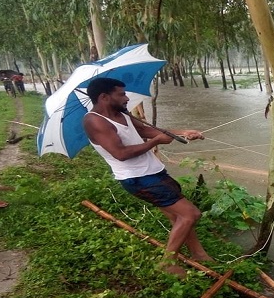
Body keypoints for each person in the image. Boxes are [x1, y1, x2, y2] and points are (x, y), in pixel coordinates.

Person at [83, 78, 212, 277]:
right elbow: (120, 154)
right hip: (138, 178)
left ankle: (199, 254)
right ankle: (167, 263)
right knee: (190, 214)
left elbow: (146, 130)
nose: (126, 98)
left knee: (177, 215)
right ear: (104, 97)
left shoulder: (121, 113)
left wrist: (183, 133)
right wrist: (156, 142)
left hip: (153, 171)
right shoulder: (95, 121)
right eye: (121, 94)